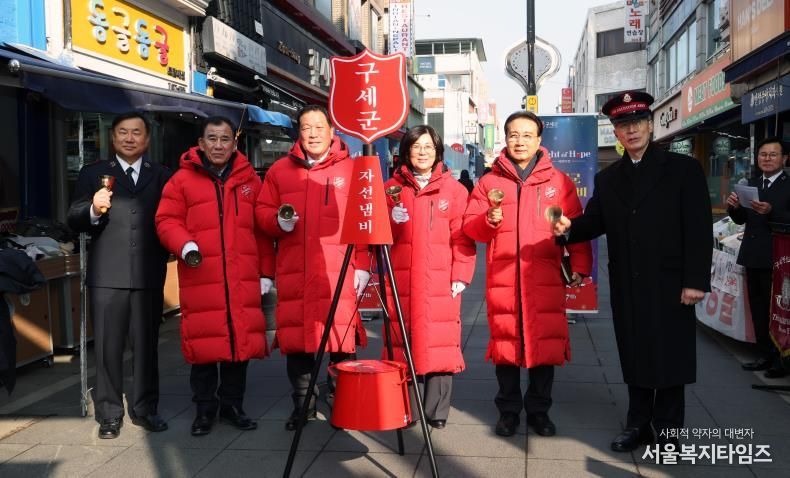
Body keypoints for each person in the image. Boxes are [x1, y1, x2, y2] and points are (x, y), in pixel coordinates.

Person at [552, 91, 712, 452]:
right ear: (615, 132)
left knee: (671, 356)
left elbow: (699, 230)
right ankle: (638, 422)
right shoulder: (609, 179)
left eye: (638, 122)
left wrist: (695, 281)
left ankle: (669, 428)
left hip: (672, 283)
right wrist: (568, 229)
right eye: (623, 125)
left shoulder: (683, 170)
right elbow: (593, 222)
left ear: (651, 124)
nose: (632, 130)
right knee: (634, 353)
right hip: (628, 283)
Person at [463, 111, 592, 438]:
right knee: (505, 347)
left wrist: (579, 267)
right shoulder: (490, 182)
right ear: (505, 139)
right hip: (504, 278)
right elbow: (471, 228)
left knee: (544, 346)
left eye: (526, 135)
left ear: (538, 140)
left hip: (544, 276)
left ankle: (539, 411)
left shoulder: (558, 182)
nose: (519, 141)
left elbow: (576, 228)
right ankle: (508, 412)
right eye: (513, 135)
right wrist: (489, 219)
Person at [255, 105, 371, 431]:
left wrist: (362, 264)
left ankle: (342, 403)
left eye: (320, 127)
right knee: (299, 344)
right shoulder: (279, 171)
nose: (314, 133)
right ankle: (302, 404)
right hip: (295, 271)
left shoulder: (353, 170)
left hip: (340, 272)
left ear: (332, 132)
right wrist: (277, 220)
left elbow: (364, 222)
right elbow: (262, 213)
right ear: (299, 133)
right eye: (307, 127)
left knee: (341, 342)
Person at [156, 116, 273, 436]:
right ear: (201, 143)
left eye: (225, 139)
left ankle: (233, 405)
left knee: (239, 344)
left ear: (234, 144)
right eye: (212, 139)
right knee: (204, 346)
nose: (219, 145)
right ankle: (204, 410)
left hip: (242, 276)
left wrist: (266, 272)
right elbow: (166, 221)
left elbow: (262, 230)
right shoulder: (181, 181)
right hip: (201, 275)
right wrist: (185, 243)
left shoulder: (250, 180)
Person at [67, 112, 171, 439]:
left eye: (136, 132)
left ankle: (145, 408)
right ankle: (109, 413)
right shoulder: (94, 174)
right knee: (108, 348)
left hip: (148, 275)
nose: (129, 138)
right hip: (106, 276)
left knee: (146, 348)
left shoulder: (163, 176)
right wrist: (93, 210)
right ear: (112, 139)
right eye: (123, 132)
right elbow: (72, 217)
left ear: (147, 139)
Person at [384, 125, 476, 429]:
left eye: (428, 146)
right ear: (406, 151)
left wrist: (461, 273)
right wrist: (391, 222)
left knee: (440, 343)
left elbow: (463, 238)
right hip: (402, 278)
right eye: (415, 146)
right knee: (403, 343)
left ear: (437, 151)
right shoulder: (390, 188)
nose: (422, 152)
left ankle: (436, 411)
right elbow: (375, 236)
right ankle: (407, 408)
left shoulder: (455, 191)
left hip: (440, 280)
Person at [727, 137, 790, 378]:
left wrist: (773, 213)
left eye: (773, 154)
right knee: (757, 307)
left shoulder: (788, 184)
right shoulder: (751, 184)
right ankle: (764, 354)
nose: (767, 158)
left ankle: (780, 359)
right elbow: (742, 220)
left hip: (779, 258)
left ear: (784, 159)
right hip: (753, 255)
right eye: (763, 154)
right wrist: (734, 208)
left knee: (778, 308)